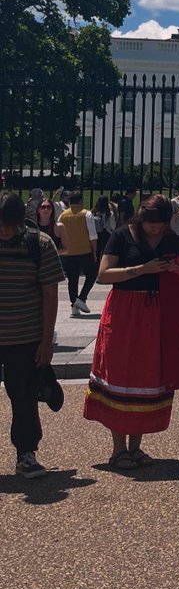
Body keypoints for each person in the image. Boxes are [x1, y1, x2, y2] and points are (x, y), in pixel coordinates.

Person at [83, 194, 179, 468]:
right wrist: (143, 269)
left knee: (147, 375)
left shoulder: (170, 237)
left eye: (161, 225)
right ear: (141, 218)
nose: (157, 229)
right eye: (152, 224)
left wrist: (173, 269)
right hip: (125, 310)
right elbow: (103, 275)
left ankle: (136, 446)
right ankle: (118, 449)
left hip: (157, 311)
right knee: (120, 371)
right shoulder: (121, 235)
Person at [0, 191, 63, 478]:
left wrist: (46, 340)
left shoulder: (39, 244)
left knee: (23, 397)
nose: (4, 232)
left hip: (24, 336)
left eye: (8, 226)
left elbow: (51, 294)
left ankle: (26, 453)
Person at [57, 191, 98, 317]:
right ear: (80, 201)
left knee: (72, 279)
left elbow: (58, 233)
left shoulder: (62, 215)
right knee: (92, 275)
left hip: (68, 252)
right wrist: (94, 251)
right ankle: (81, 298)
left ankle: (74, 304)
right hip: (84, 251)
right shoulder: (87, 214)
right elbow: (92, 235)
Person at [92, 194, 117, 261]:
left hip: (96, 234)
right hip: (106, 234)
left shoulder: (95, 212)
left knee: (97, 250)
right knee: (105, 252)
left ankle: (96, 264)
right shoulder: (110, 213)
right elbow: (113, 225)